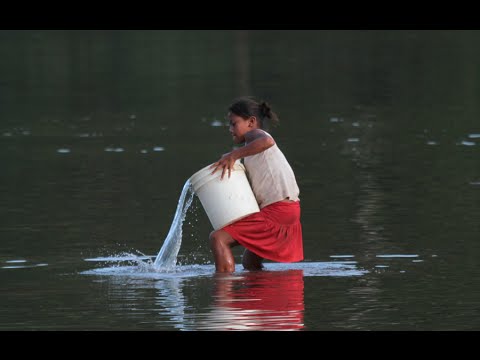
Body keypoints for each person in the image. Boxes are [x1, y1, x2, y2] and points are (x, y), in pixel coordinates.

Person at [209, 96, 303, 273]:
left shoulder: (256, 136)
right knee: (249, 261)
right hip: (289, 208)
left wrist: (233, 155)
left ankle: (224, 294)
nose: (230, 129)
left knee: (218, 238)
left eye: (234, 123)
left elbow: (266, 142)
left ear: (251, 122)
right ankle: (265, 296)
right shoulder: (252, 148)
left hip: (278, 210)